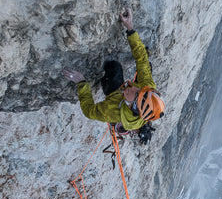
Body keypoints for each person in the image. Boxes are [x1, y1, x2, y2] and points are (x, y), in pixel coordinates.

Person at [63, 8, 165, 144]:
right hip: (129, 103)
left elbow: (88, 111)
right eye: (139, 90)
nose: (135, 87)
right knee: (147, 66)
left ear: (131, 105)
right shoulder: (146, 87)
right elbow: (142, 60)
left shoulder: (112, 111)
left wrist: (82, 83)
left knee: (114, 67)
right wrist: (130, 29)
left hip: (115, 95)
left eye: (136, 93)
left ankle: (105, 73)